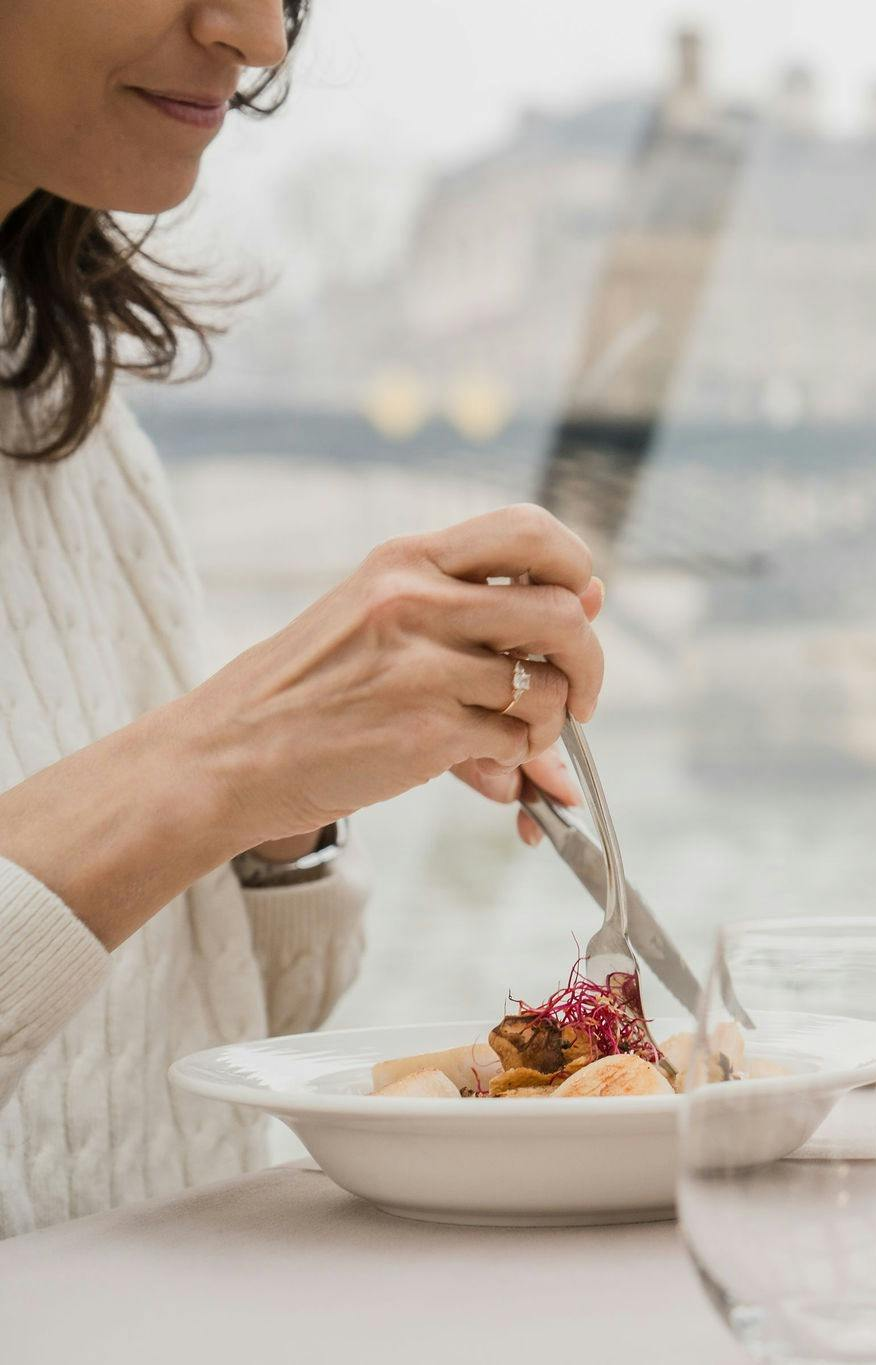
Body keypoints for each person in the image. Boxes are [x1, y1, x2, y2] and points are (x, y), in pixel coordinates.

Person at [0, 0, 605, 1236]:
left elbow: (174, 1067)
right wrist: (219, 757)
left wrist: (284, 816)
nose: (259, 37)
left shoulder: (65, 406)